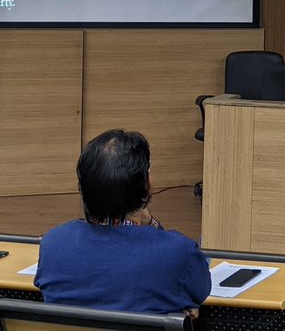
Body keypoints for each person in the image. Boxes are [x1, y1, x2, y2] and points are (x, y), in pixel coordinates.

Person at [36, 129, 210, 316]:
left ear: (82, 189)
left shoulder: (53, 244)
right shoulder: (179, 253)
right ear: (146, 185)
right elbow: (199, 293)